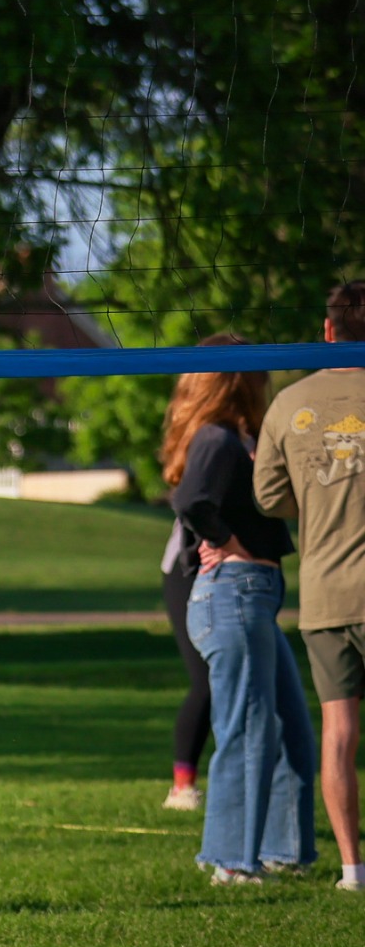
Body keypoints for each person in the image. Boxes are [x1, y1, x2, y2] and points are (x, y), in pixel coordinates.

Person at [162, 337, 318, 884]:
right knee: (248, 728)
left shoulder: (240, 438)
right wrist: (230, 541)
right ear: (239, 379)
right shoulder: (217, 438)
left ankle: (285, 849)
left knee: (291, 729)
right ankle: (230, 860)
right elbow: (190, 502)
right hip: (232, 592)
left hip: (253, 595)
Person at [254, 280, 365, 893]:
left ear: (327, 331)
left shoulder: (287, 402)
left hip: (324, 596)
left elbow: (268, 497)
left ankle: (353, 870)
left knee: (339, 733)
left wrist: (323, 496)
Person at [159, 517, 211, 811]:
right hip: (188, 569)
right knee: (205, 681)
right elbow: (192, 501)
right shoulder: (209, 469)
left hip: (229, 571)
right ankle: (182, 787)